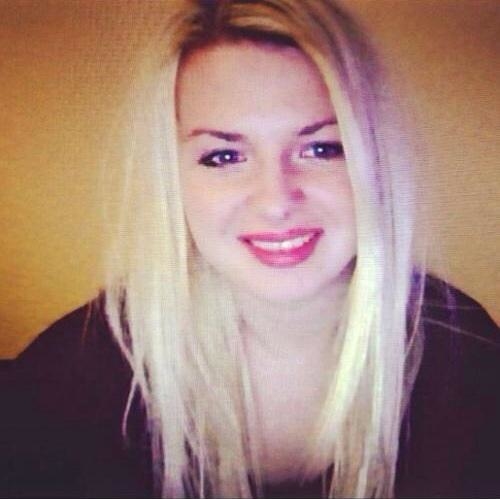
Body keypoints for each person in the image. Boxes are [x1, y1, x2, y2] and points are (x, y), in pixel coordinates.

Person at [1, 1, 499, 498]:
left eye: (321, 148)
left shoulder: (465, 356)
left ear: (374, 158)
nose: (276, 202)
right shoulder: (79, 372)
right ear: (173, 179)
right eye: (224, 156)